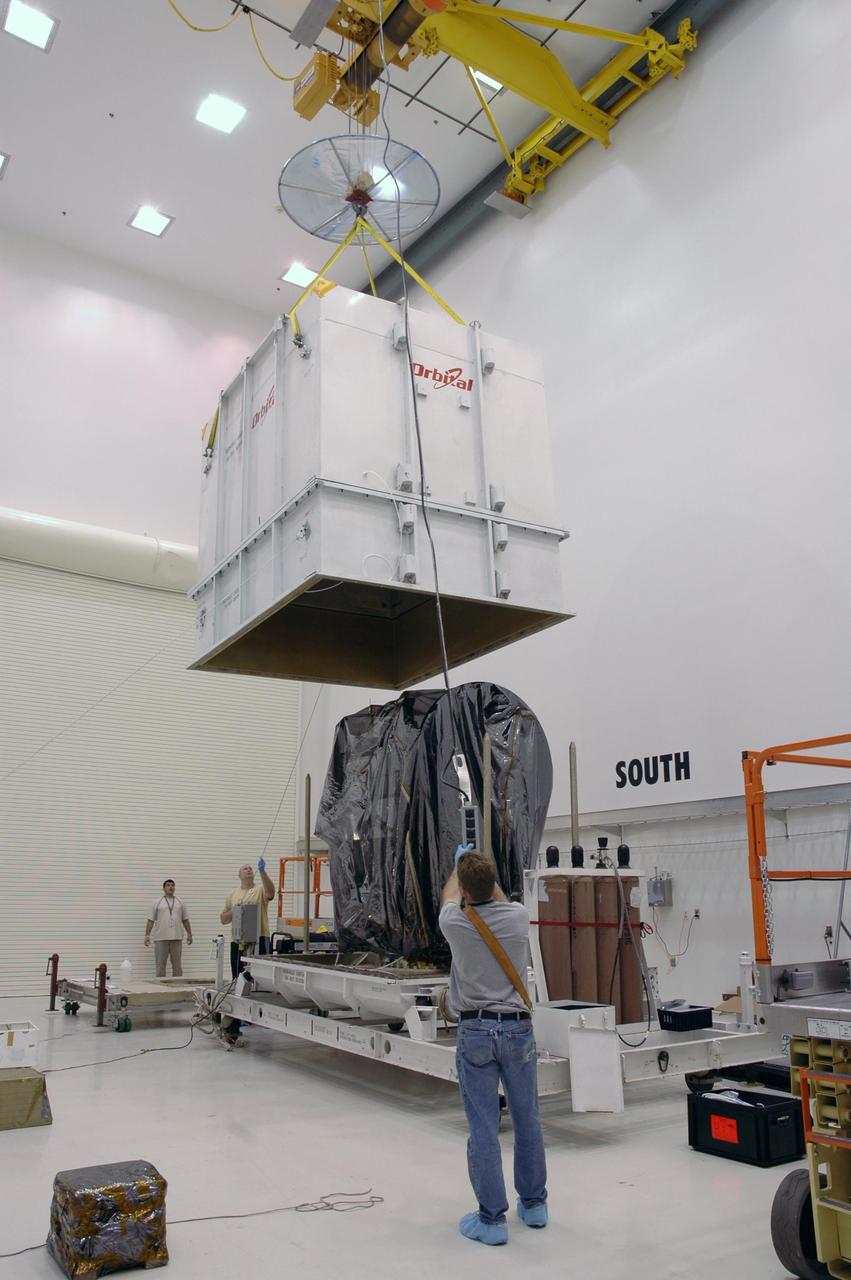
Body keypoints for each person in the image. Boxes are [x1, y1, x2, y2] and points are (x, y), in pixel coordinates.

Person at [439, 849, 548, 1247]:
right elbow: (495, 897)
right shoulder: (519, 918)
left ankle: (491, 1220)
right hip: (518, 1031)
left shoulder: (454, 922)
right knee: (528, 1120)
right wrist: (481, 871)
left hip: (476, 1033)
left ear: (466, 889)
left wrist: (458, 867)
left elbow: (451, 897)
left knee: (484, 1126)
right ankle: (534, 1205)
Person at [221, 859, 276, 978]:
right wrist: (236, 910)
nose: (249, 869)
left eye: (250, 868)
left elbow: (271, 894)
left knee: (261, 977)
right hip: (238, 941)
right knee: (238, 977)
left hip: (260, 939)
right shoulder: (233, 894)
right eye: (245, 868)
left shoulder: (260, 889)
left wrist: (263, 872)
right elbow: (224, 919)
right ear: (239, 875)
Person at [144, 879, 192, 977]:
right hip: (161, 938)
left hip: (176, 937)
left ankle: (178, 987)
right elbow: (150, 920)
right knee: (160, 965)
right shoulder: (157, 902)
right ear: (163, 888)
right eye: (168, 885)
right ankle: (160, 987)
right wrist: (147, 935)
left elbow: (185, 920)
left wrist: (189, 934)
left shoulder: (180, 902)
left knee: (177, 965)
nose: (171, 887)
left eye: (172, 885)